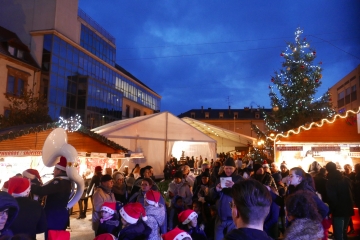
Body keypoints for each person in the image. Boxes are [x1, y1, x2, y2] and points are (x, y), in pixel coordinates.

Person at [30, 157, 72, 236]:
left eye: (55, 169)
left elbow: (42, 191)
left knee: (52, 235)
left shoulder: (58, 182)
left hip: (54, 215)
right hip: (59, 214)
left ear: (59, 170)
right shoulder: (66, 181)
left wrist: (29, 186)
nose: (53, 171)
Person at [210, 157, 243, 240]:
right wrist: (216, 189)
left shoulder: (239, 179)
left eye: (230, 168)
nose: (228, 170)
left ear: (235, 168)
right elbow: (212, 197)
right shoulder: (219, 179)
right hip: (220, 218)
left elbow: (244, 196)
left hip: (233, 219)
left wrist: (234, 187)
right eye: (226, 168)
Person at [325, 162, 354, 240]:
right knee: (344, 232)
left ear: (327, 170)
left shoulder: (330, 181)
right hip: (348, 208)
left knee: (338, 233)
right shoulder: (346, 178)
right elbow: (351, 193)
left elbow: (332, 198)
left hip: (338, 210)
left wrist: (330, 210)